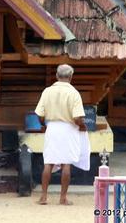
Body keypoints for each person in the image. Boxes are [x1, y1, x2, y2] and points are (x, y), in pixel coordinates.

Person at [34, 64, 91, 205]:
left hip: (52, 128)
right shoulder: (74, 93)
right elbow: (78, 118)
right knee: (66, 164)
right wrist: (83, 126)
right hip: (69, 129)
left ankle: (43, 197)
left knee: (48, 162)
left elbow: (39, 115)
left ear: (56, 76)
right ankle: (63, 198)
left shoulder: (47, 91)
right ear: (71, 77)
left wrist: (43, 125)